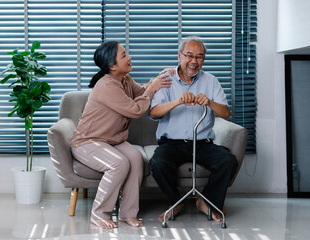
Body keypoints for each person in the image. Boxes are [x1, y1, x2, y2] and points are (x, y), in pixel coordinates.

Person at [70, 41, 172, 229]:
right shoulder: (106, 85)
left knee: (135, 157)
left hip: (112, 141)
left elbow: (142, 93)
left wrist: (158, 80)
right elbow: (135, 109)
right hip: (87, 142)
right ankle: (99, 213)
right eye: (124, 55)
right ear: (112, 65)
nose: (129, 57)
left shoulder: (124, 79)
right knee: (119, 163)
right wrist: (152, 88)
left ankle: (127, 213)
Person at [149, 36, 238, 223]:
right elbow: (154, 112)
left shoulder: (211, 81)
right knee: (158, 163)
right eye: (189, 56)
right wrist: (177, 101)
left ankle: (205, 201)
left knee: (228, 161)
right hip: (172, 143)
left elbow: (226, 113)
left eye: (199, 57)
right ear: (179, 56)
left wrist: (210, 102)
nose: (194, 62)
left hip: (202, 143)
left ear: (203, 60)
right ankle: (176, 202)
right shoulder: (166, 79)